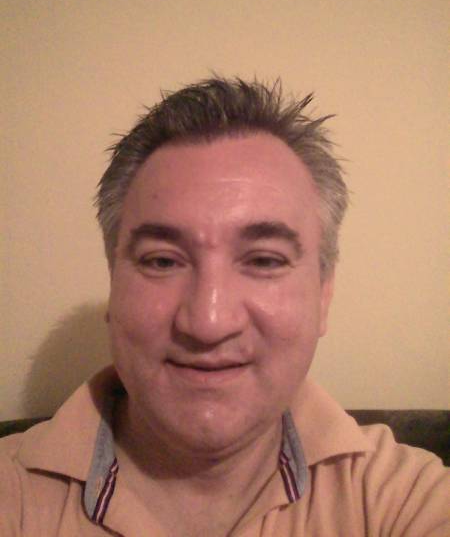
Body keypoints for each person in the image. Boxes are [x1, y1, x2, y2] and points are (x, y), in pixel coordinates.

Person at [0, 77, 448, 536]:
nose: (208, 323)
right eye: (162, 261)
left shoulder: (404, 499)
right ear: (114, 286)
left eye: (264, 260)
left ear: (324, 295)